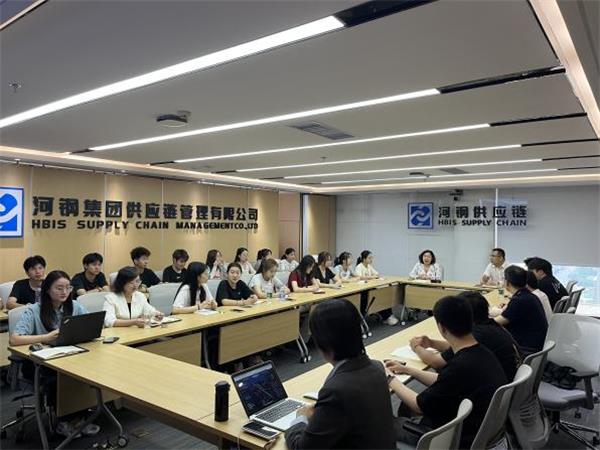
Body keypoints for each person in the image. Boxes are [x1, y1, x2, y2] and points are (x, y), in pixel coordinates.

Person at [387, 295, 507, 448]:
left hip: (454, 439)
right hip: (476, 429)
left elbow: (418, 405)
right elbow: (443, 379)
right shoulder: (481, 353)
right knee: (406, 407)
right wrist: (408, 370)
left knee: (385, 421)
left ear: (442, 328)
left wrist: (389, 378)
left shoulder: (461, 365)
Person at [285, 299, 395, 450]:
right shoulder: (377, 367)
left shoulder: (337, 390)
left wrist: (300, 418)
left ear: (321, 342)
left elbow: (302, 448)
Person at [10, 270, 99, 437]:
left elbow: (90, 324)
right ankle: (64, 421)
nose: (64, 292)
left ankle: (80, 417)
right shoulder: (33, 310)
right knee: (61, 376)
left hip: (71, 357)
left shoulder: (75, 306)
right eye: (59, 288)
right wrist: (46, 337)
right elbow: (15, 339)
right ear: (47, 290)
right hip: (40, 364)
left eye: (68, 287)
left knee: (88, 370)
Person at [409, 291, 521, 381]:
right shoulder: (490, 325)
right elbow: (458, 346)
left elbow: (437, 362)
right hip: (507, 384)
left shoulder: (478, 335)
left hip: (494, 388)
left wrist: (416, 347)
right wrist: (431, 343)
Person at [494, 266, 548, 354]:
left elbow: (497, 322)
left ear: (507, 282)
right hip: (535, 345)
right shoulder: (528, 295)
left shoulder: (520, 300)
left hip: (526, 348)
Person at [355, 251, 397, 325]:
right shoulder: (359, 267)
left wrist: (371, 277)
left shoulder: (369, 266)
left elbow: (377, 274)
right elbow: (359, 277)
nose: (371, 260)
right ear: (364, 259)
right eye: (369, 258)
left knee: (382, 295)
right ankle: (386, 317)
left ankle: (388, 316)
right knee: (374, 296)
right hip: (363, 291)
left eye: (372, 258)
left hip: (370, 288)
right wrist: (372, 277)